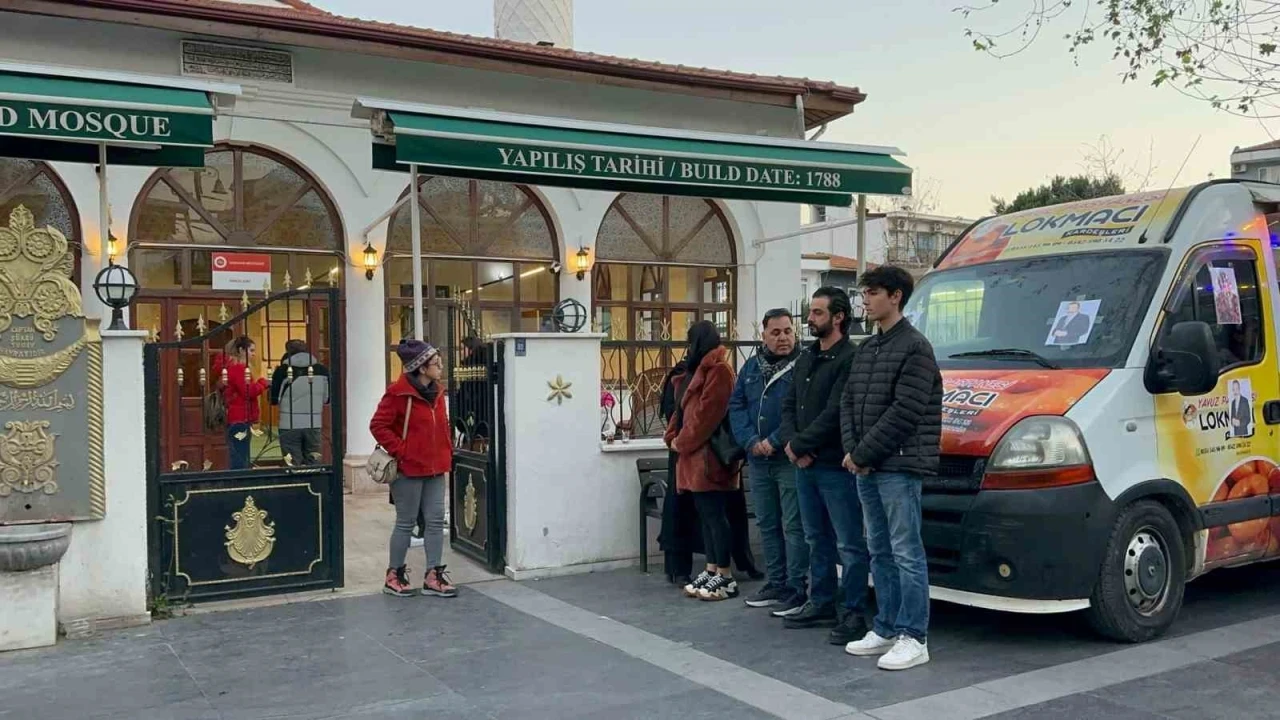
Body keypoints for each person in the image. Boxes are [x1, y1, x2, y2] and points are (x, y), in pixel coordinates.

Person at [841, 265, 942, 672]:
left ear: (896, 296)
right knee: (879, 550)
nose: (865, 300)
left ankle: (914, 636)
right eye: (864, 293)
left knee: (906, 552)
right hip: (867, 466)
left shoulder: (916, 348)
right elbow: (848, 401)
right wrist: (852, 450)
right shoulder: (867, 348)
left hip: (898, 466)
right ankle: (885, 627)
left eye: (872, 293)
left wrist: (862, 453)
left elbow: (906, 411)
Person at [779, 287, 872, 646]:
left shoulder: (851, 358)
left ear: (839, 317)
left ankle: (853, 611)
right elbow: (789, 406)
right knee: (815, 537)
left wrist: (800, 446)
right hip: (804, 465)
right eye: (810, 312)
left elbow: (836, 413)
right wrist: (793, 446)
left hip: (835, 466)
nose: (810, 319)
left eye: (818, 312)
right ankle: (821, 602)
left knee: (849, 542)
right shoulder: (807, 357)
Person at [729, 308, 808, 613]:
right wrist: (750, 441)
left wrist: (774, 441)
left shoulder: (803, 365)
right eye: (776, 333)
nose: (783, 338)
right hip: (758, 461)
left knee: (793, 525)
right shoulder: (751, 367)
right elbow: (736, 406)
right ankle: (776, 582)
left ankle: (796, 586)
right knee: (767, 523)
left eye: (788, 331)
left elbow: (800, 412)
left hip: (788, 458)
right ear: (763, 335)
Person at [370, 339, 457, 599]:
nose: (440, 366)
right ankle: (393, 575)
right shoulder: (398, 393)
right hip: (408, 470)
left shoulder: (437, 393)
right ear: (421, 367)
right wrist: (402, 451)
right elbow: (378, 425)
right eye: (436, 363)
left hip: (436, 467)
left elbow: (442, 426)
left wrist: (447, 450)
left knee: (434, 521)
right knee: (406, 522)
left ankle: (433, 575)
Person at [664, 321, 740, 601]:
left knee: (715, 517)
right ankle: (711, 569)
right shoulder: (695, 371)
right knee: (706, 518)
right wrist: (671, 437)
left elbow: (707, 416)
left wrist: (682, 442)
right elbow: (681, 410)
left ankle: (725, 576)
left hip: (710, 458)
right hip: (692, 459)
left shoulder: (719, 371)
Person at [269, 340, 330, 466]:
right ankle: (314, 479)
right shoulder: (322, 370)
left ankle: (296, 478)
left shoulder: (282, 371)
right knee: (313, 461)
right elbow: (327, 399)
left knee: (292, 463)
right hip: (313, 423)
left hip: (289, 423)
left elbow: (274, 399)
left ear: (288, 351)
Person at [214, 336, 269, 470]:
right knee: (240, 456)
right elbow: (248, 391)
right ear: (241, 350)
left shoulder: (230, 366)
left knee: (238, 453)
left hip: (235, 415)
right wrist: (262, 383)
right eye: (251, 350)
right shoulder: (238, 368)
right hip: (240, 416)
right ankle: (239, 479)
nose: (253, 354)